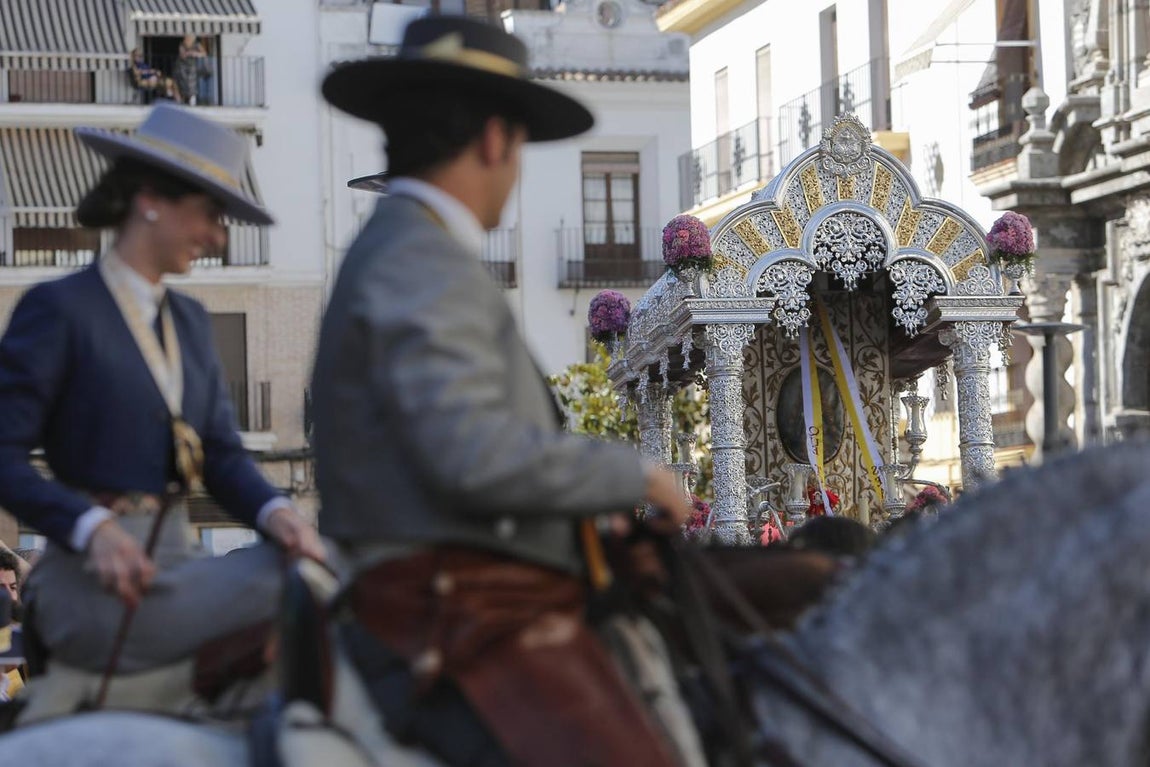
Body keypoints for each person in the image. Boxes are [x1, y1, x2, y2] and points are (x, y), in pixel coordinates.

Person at [313, 16, 692, 767]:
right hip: (447, 604)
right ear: (495, 140)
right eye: (520, 147)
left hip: (458, 586)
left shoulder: (405, 246)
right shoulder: (421, 256)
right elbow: (471, 455)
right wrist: (634, 475)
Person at [0, 104, 323, 710]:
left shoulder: (192, 323)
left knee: (323, 574)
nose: (219, 237)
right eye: (209, 213)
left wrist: (281, 516)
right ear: (150, 199)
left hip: (182, 568)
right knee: (312, 593)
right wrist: (90, 528)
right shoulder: (59, 309)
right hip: (95, 582)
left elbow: (221, 456)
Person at [174, 35, 205, 105]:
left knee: (192, 84)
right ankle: (183, 101)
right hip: (182, 67)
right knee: (182, 84)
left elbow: (204, 53)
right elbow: (182, 55)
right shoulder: (182, 44)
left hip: (192, 67)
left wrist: (195, 54)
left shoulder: (197, 44)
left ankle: (192, 101)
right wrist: (188, 54)